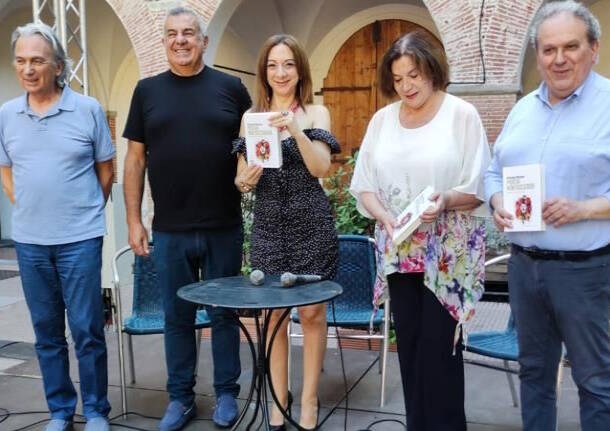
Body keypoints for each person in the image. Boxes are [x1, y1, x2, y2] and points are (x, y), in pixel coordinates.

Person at [350, 32, 491, 430]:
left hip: (447, 254)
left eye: (414, 75)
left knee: (439, 351)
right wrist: (384, 215)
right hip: (400, 251)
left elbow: (479, 186)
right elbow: (364, 185)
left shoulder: (461, 114)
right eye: (398, 79)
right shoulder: (382, 120)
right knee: (410, 348)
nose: (407, 86)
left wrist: (444, 200)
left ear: (432, 69)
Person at [122, 6, 251, 431]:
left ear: (203, 40)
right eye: (172, 33)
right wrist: (134, 220)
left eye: (189, 33)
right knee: (176, 317)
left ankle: (227, 394)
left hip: (224, 225)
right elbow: (135, 160)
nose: (181, 40)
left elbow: (252, 146)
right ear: (163, 41)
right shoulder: (146, 91)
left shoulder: (231, 89)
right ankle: (180, 399)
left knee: (224, 314)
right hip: (169, 230)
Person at [485, 1, 610, 430]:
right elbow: (493, 171)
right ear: (537, 54)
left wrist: (584, 209)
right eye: (548, 49)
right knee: (534, 374)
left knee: (596, 381)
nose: (559, 59)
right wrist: (497, 202)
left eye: (570, 47)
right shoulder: (522, 110)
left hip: (585, 271)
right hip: (524, 268)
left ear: (593, 48)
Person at [0, 23, 114, 431]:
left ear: (59, 66)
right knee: (46, 333)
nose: (28, 69)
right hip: (30, 243)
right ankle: (61, 411)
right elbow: (6, 170)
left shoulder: (87, 110)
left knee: (86, 330)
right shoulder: (6, 115)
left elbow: (106, 171)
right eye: (21, 61)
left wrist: (83, 212)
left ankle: (96, 410)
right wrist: (29, 207)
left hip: (80, 240)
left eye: (37, 60)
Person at [232, 34, 339, 430]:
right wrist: (245, 180)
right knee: (273, 314)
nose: (281, 72)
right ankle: (279, 400)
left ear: (300, 70)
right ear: (264, 72)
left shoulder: (316, 113)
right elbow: (241, 180)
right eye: (273, 65)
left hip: (311, 223)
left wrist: (295, 129)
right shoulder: (251, 118)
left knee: (311, 313)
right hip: (268, 226)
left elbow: (321, 168)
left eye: (288, 64)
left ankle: (309, 401)